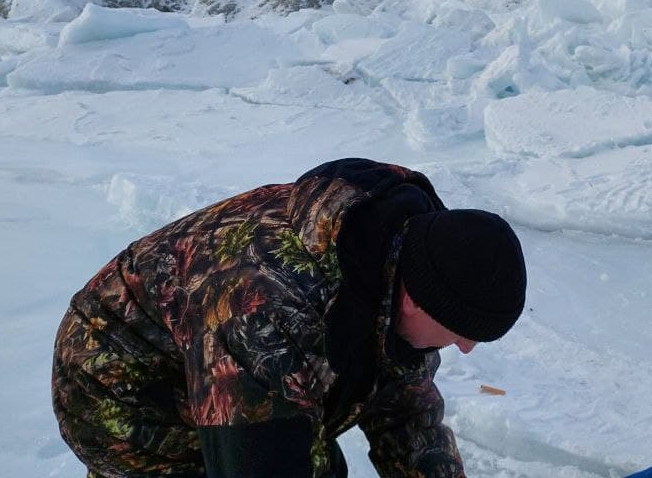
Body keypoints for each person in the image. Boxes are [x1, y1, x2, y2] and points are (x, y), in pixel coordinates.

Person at [52, 158, 527, 478]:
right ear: (414, 301)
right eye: (463, 334)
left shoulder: (411, 259)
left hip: (227, 355)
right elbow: (257, 461)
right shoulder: (268, 312)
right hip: (117, 384)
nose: (466, 348)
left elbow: (405, 405)